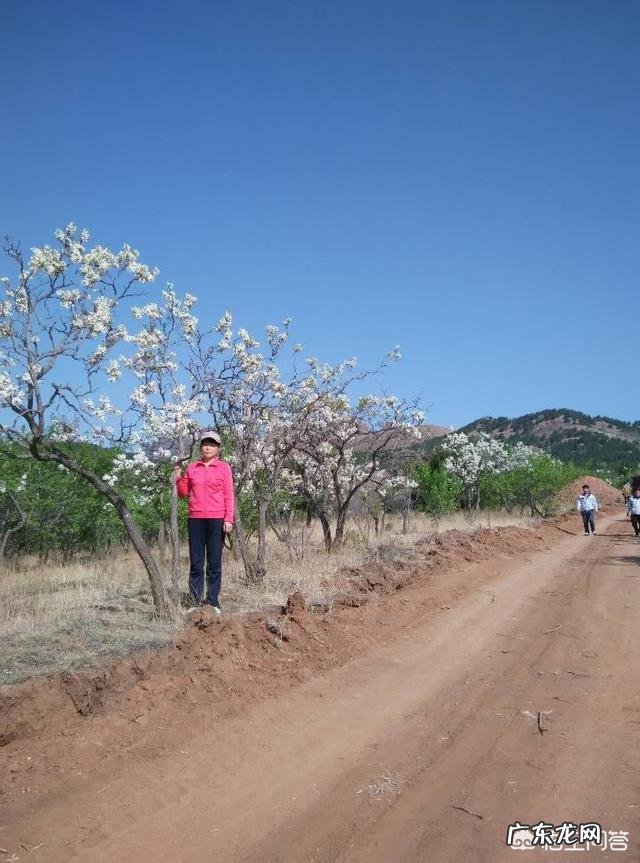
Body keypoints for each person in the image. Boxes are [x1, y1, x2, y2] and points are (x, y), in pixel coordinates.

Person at [172, 431, 235, 613]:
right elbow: (184, 492)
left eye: (212, 444)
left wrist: (228, 519)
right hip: (196, 519)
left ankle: (213, 602)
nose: (208, 447)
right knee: (196, 563)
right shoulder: (193, 467)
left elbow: (229, 495)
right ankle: (194, 602)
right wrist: (179, 476)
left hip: (217, 519)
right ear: (201, 446)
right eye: (205, 444)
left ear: (218, 448)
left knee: (214, 563)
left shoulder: (224, 468)